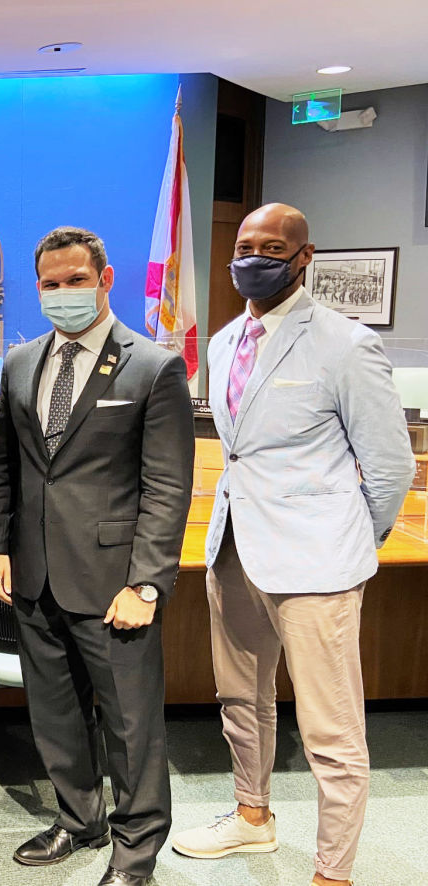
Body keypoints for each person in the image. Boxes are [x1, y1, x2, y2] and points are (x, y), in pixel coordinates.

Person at [171, 204, 416, 886]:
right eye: (245, 246)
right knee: (240, 699)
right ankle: (253, 818)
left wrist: (351, 542)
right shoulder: (222, 344)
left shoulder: (345, 343)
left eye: (272, 247)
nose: (254, 258)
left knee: (331, 732)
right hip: (235, 550)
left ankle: (333, 873)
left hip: (318, 566)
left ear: (304, 256)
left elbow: (391, 465)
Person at [0, 227, 194, 886]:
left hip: (114, 584)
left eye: (76, 280)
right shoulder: (21, 361)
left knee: (131, 727)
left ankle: (136, 852)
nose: (63, 293)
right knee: (55, 713)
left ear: (104, 281)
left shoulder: (152, 366)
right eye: (50, 283)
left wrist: (148, 584)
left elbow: (167, 486)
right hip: (35, 573)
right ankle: (80, 820)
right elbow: (5, 466)